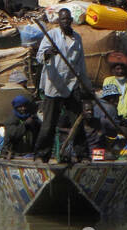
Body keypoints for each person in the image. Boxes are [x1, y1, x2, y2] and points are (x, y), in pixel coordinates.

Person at [33, 9, 88, 161]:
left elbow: (81, 64)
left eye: (67, 19)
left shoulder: (77, 38)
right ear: (59, 21)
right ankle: (41, 155)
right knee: (49, 124)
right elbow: (40, 57)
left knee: (77, 121)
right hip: (54, 85)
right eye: (62, 19)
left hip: (71, 83)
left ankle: (82, 155)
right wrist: (49, 53)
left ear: (71, 20)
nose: (65, 21)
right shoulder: (52, 36)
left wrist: (86, 86)